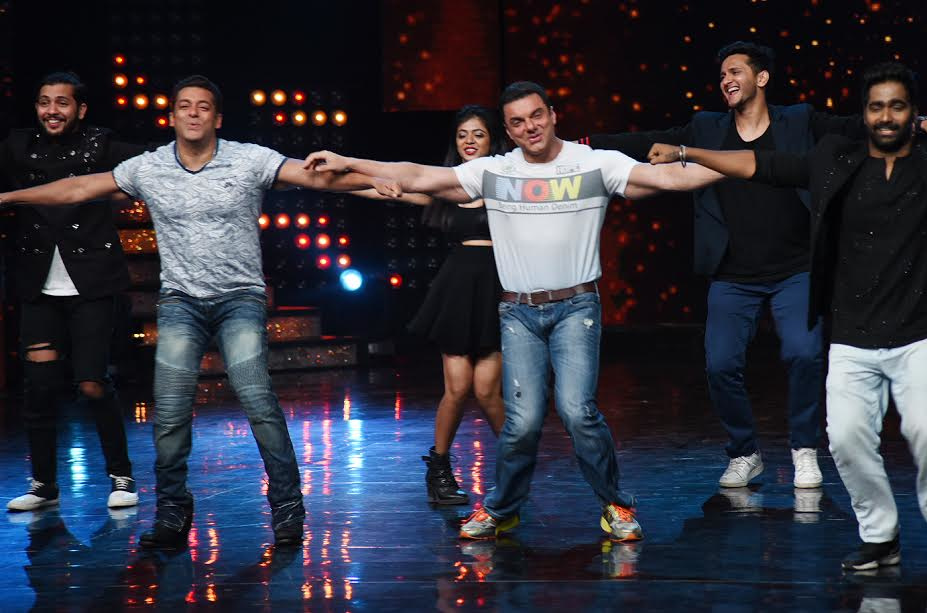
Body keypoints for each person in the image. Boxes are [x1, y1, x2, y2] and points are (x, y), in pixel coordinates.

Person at [646, 61, 927, 572]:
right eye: (877, 107)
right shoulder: (837, 161)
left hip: (923, 331)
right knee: (846, 442)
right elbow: (762, 166)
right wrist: (689, 152)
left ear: (913, 113)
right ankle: (879, 537)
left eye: (897, 106)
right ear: (865, 113)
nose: (886, 116)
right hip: (854, 336)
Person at [303, 81, 725, 542]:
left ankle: (616, 505)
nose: (531, 127)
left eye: (536, 115)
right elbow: (417, 174)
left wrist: (747, 162)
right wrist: (349, 161)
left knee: (576, 410)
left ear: (553, 114)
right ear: (508, 131)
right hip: (518, 313)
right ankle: (502, 509)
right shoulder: (494, 171)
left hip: (576, 307)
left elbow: (669, 178)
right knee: (521, 423)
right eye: (518, 122)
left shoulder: (594, 163)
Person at [0, 75, 383, 549]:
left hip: (239, 298)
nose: (194, 113)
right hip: (181, 301)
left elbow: (317, 177)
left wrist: (377, 181)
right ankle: (172, 511)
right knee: (170, 412)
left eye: (203, 106)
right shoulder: (150, 167)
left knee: (257, 399)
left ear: (217, 118)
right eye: (185, 106)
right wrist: (8, 199)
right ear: (172, 117)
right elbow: (77, 189)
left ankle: (287, 507)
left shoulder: (249, 159)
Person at [583, 42, 927, 490]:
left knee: (803, 353)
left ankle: (804, 450)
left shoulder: (798, 121)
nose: (726, 80)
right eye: (722, 75)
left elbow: (855, 127)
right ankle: (744, 453)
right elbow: (646, 141)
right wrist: (582, 146)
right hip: (732, 274)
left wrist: (918, 122)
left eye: (735, 72)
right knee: (721, 365)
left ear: (761, 78)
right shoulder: (706, 128)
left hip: (795, 269)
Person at [0, 71, 145, 513]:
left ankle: (121, 476)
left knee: (92, 383)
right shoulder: (18, 147)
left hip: (92, 283)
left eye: (61, 103)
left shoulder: (101, 144)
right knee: (40, 386)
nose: (52, 111)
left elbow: (151, 165)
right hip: (38, 284)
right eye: (44, 102)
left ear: (80, 109)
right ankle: (44, 485)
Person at [355, 105, 507, 504]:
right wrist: (333, 182)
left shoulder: (506, 183)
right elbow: (378, 187)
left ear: (492, 140)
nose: (469, 141)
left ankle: (516, 468)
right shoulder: (443, 186)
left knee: (487, 392)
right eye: (462, 134)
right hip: (457, 290)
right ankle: (438, 470)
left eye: (478, 134)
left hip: (494, 287)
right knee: (457, 389)